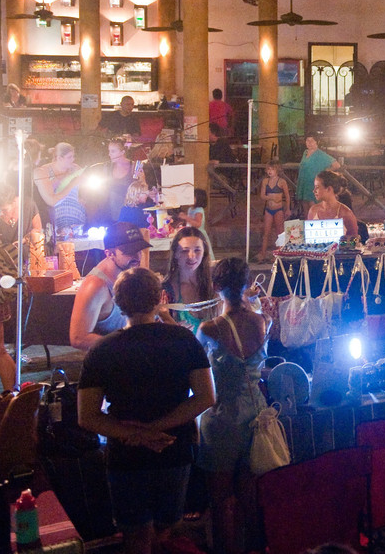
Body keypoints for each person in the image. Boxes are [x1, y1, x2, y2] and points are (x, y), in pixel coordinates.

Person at [77, 267, 215, 554]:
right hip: (173, 447)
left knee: (136, 536)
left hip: (126, 453)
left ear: (117, 302)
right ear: (160, 299)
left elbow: (87, 416)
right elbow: (205, 397)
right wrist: (157, 429)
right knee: (167, 531)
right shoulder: (183, 340)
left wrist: (137, 434)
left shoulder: (102, 350)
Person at [196, 258, 269, 554]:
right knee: (251, 494)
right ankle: (255, 548)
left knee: (221, 498)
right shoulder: (260, 320)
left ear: (216, 287)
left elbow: (194, 361)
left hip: (223, 418)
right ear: (247, 284)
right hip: (257, 414)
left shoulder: (210, 328)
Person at [69, 221, 150, 350]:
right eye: (129, 252)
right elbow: (78, 338)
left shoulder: (129, 271)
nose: (137, 256)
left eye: (139, 250)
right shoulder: (95, 285)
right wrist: (128, 345)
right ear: (109, 253)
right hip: (113, 362)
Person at [0, 183, 40, 389]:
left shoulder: (27, 204)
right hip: (4, 280)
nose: (2, 213)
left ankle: (13, 397)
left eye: (4, 209)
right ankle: (13, 396)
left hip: (6, 282)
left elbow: (38, 232)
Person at [159, 226, 218, 336]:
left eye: (197, 250)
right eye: (185, 251)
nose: (192, 256)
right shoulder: (166, 290)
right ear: (175, 254)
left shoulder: (213, 286)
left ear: (204, 252)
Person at [34, 141, 88, 240]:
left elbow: (85, 189)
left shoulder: (75, 168)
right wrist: (73, 183)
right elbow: (51, 201)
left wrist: (82, 197)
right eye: (69, 157)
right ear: (59, 158)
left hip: (75, 215)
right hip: (55, 217)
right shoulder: (44, 172)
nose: (73, 160)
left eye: (73, 156)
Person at [308, 169, 368, 242]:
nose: (314, 191)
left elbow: (354, 241)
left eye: (317, 187)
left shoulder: (346, 213)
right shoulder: (313, 210)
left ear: (329, 189)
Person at [296, 135, 340, 216]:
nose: (309, 143)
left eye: (311, 141)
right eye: (307, 141)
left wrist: (325, 172)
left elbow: (336, 165)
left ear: (316, 142)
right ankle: (308, 226)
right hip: (304, 183)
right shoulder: (305, 152)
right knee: (306, 210)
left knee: (314, 208)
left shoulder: (320, 154)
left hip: (314, 184)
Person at [258, 161, 291, 262]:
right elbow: (262, 195)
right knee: (266, 231)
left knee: (279, 232)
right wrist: (271, 198)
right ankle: (262, 253)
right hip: (269, 209)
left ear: (277, 170)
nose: (269, 171)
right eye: (268, 169)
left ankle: (279, 253)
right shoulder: (265, 181)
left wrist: (288, 208)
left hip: (278, 209)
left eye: (272, 169)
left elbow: (287, 196)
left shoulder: (282, 182)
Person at [118, 161, 158, 226]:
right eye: (143, 193)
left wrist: (154, 199)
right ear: (136, 194)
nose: (146, 194)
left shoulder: (148, 205)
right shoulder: (126, 209)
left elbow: (159, 210)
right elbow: (121, 225)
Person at [104, 136, 134, 223]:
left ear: (122, 152)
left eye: (113, 151)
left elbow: (143, 187)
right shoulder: (107, 167)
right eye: (109, 151)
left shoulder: (134, 166)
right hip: (112, 213)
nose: (109, 154)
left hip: (130, 212)